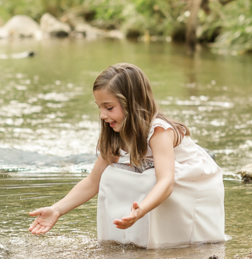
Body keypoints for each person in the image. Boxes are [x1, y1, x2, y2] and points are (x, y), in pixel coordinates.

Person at [28, 63, 225, 248]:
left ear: (132, 104)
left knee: (149, 179)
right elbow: (92, 181)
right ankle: (122, 242)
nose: (103, 116)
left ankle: (170, 244)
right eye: (100, 107)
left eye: (109, 107)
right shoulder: (115, 135)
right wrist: (57, 209)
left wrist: (142, 210)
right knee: (111, 175)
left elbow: (166, 182)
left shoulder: (159, 131)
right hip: (157, 177)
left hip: (192, 185)